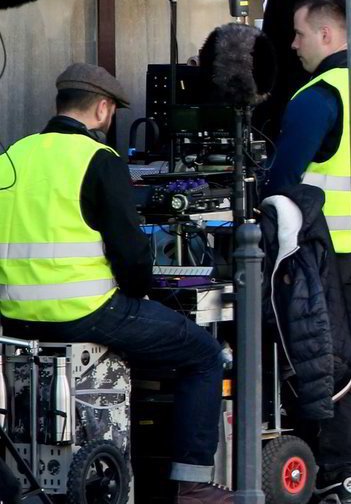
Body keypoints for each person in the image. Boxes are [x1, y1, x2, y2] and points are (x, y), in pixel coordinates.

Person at [0, 64, 231, 504]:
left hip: (14, 319)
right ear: (104, 109)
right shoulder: (99, 159)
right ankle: (193, 485)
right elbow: (131, 253)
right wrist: (144, 291)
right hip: (85, 312)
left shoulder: (12, 156)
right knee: (204, 354)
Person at [265, 0, 351, 504]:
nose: (293, 44)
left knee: (320, 361)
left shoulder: (319, 96)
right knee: (349, 360)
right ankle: (347, 471)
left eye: (299, 34)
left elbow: (281, 180)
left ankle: (332, 471)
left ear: (326, 34)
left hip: (318, 252)